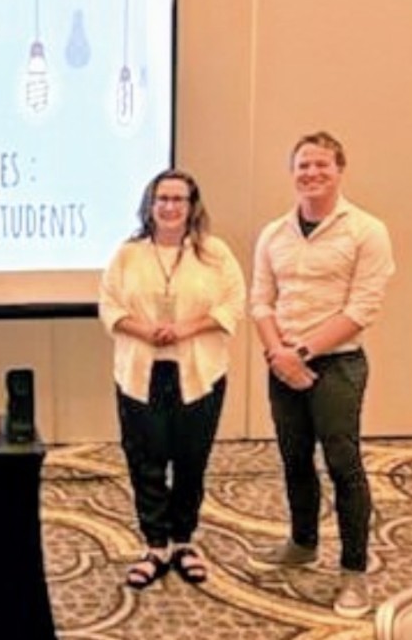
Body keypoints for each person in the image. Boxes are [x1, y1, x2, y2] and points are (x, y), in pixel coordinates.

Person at [249, 131, 394, 618]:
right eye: (303, 166)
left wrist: (302, 352)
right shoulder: (274, 234)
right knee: (294, 459)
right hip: (281, 362)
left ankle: (353, 573)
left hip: (338, 365)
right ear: (292, 173)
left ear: (339, 170)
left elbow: (362, 309)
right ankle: (302, 543)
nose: (311, 173)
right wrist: (279, 354)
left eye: (321, 165)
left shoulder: (367, 231)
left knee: (343, 465)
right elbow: (260, 301)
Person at [99, 169, 245, 589]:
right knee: (145, 460)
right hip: (140, 373)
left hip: (198, 373)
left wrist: (186, 328)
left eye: (178, 199)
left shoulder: (215, 253)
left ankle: (183, 541)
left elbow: (233, 304)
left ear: (192, 206)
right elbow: (109, 306)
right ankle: (156, 546)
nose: (169, 206)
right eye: (162, 198)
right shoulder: (128, 255)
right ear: (150, 204)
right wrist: (144, 330)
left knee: (191, 459)